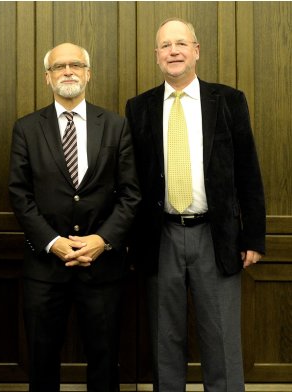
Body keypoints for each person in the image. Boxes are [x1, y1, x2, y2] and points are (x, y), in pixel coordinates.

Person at [125, 17, 266, 391]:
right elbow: (131, 180)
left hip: (216, 236)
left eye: (181, 44)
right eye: (166, 45)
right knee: (164, 340)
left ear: (196, 51)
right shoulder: (138, 108)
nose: (173, 51)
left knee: (221, 340)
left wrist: (253, 236)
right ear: (156, 55)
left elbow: (248, 170)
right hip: (162, 237)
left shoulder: (229, 101)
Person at [8, 43, 141, 392]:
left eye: (76, 65)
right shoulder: (26, 128)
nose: (68, 71)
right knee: (42, 360)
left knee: (104, 358)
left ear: (88, 73)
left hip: (102, 266)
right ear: (47, 78)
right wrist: (53, 242)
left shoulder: (115, 126)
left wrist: (102, 240)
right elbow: (19, 194)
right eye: (59, 67)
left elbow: (131, 194)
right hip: (45, 267)